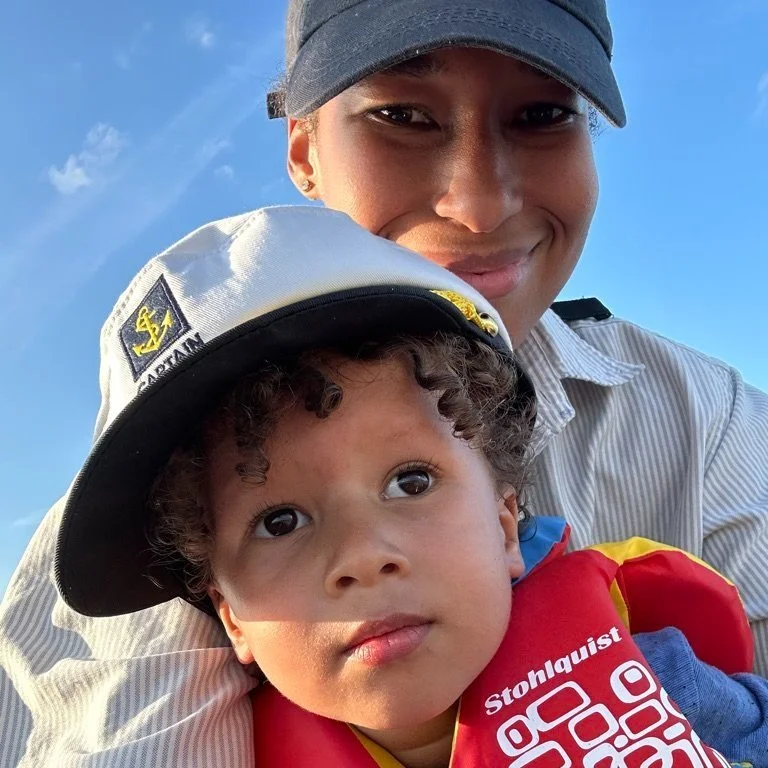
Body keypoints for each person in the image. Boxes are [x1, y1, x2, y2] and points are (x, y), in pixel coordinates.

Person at [1, 1, 767, 766]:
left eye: (540, 114)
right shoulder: (160, 477)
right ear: (303, 152)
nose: (478, 205)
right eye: (402, 115)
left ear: (509, 521)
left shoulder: (707, 415)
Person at [51, 205, 761, 766]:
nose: (363, 554)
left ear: (506, 524)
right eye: (280, 521)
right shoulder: (211, 750)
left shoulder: (658, 682)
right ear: (232, 617)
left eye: (411, 480)